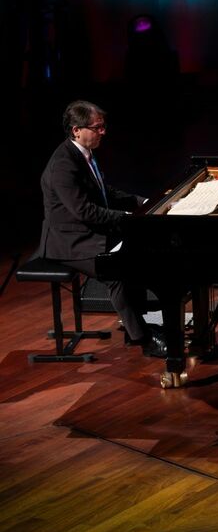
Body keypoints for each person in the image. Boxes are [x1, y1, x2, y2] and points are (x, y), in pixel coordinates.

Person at [36, 101, 158, 350]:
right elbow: (84, 211)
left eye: (103, 126)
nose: (104, 132)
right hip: (68, 242)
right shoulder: (63, 164)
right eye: (97, 127)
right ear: (76, 130)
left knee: (137, 256)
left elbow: (104, 192)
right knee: (116, 273)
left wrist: (142, 202)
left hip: (86, 232)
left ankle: (139, 325)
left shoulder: (83, 154)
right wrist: (126, 218)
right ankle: (142, 339)